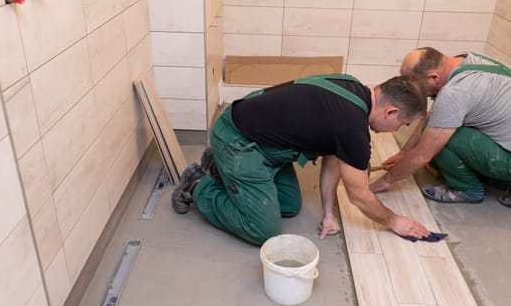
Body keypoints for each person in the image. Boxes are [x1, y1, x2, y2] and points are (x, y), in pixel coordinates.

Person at [171, 74, 430, 245]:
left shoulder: (352, 88)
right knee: (264, 230)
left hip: (257, 135)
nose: (397, 130)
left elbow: (334, 154)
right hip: (238, 141)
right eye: (402, 124)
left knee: (289, 205)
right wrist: (395, 221)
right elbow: (359, 196)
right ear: (391, 111)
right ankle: (197, 185)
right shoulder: (352, 128)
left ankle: (219, 166)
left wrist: (329, 214)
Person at [370, 47, 511, 208]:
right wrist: (404, 153)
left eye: (418, 88)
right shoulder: (466, 60)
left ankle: (467, 190)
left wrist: (384, 181)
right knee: (438, 129)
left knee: (443, 142)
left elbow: (424, 154)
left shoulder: (455, 92)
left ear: (434, 78)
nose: (414, 94)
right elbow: (434, 117)